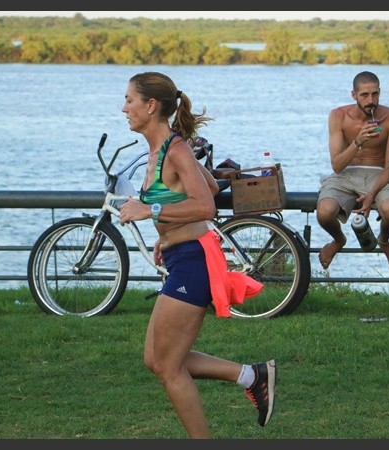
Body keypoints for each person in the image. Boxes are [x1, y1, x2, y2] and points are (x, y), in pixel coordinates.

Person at [117, 72, 276, 438]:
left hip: (194, 262)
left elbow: (206, 206)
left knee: (170, 367)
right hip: (181, 256)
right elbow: (206, 184)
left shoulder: (175, 150)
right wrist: (167, 235)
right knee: (155, 359)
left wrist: (150, 212)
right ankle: (252, 375)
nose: (124, 108)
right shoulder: (163, 149)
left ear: (150, 105)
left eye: (129, 100)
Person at [316, 71, 389, 273]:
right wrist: (358, 142)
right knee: (324, 212)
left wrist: (372, 194)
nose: (370, 100)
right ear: (353, 94)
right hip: (345, 175)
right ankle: (338, 240)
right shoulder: (338, 116)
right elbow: (337, 166)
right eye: (364, 95)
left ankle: (384, 241)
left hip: (378, 175)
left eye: (375, 94)